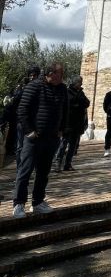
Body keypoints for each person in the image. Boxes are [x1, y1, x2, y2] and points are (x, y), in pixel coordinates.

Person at [13, 63, 67, 219]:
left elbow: (65, 110)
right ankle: (18, 203)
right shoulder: (34, 86)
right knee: (25, 170)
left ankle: (37, 202)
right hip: (34, 138)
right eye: (59, 73)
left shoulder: (62, 88)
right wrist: (29, 131)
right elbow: (22, 109)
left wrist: (62, 129)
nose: (61, 77)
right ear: (50, 73)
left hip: (51, 138)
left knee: (43, 172)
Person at [55, 75, 90, 172]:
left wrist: (79, 102)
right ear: (76, 83)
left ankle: (68, 164)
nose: (81, 84)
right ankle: (58, 163)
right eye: (80, 82)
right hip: (68, 123)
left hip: (77, 124)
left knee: (73, 146)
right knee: (63, 144)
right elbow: (69, 103)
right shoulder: (67, 92)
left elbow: (86, 103)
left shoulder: (81, 93)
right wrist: (78, 103)